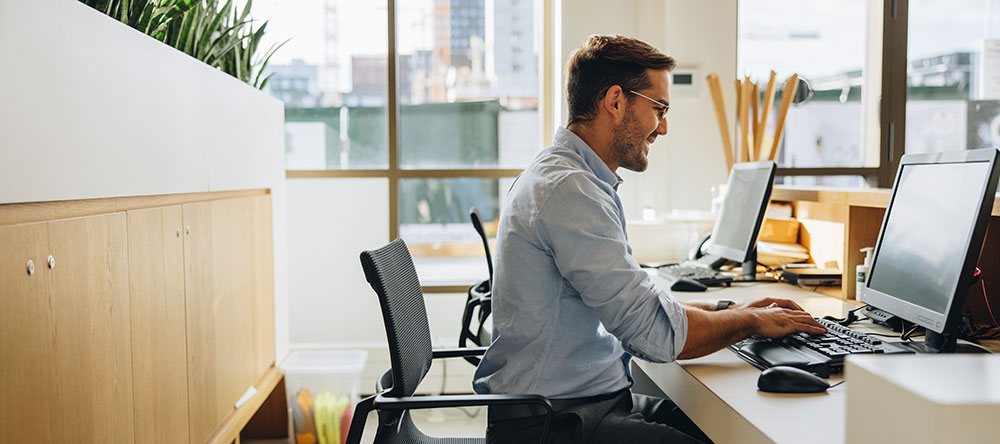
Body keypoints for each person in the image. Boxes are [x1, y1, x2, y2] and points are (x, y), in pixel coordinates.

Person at [472, 34, 828, 444]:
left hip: (577, 404)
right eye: (659, 109)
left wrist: (730, 309)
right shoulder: (570, 189)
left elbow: (641, 306)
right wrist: (749, 322)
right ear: (616, 101)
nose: (663, 127)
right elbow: (652, 334)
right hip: (554, 423)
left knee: (717, 429)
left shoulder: (571, 177)